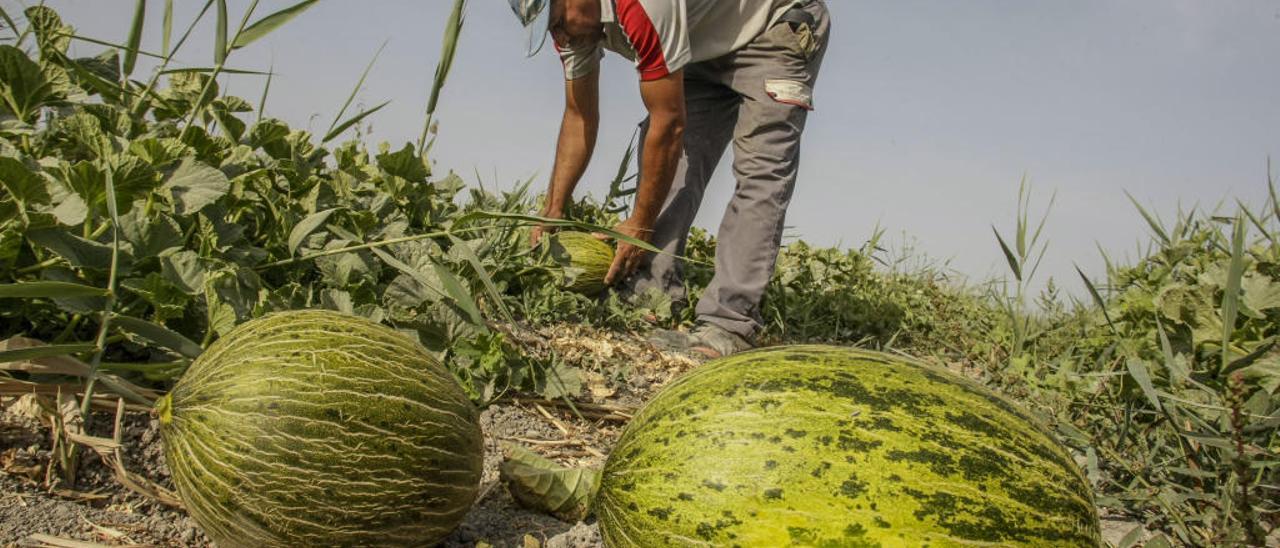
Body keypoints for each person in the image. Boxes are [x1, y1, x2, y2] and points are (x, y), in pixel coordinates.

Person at [510, 0, 830, 358]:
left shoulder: (642, 4)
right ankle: (653, 295)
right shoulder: (575, 32)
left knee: (761, 173)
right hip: (701, 43)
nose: (559, 35)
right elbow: (579, 116)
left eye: (556, 22)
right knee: (669, 166)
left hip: (773, 27)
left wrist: (640, 224)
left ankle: (729, 324)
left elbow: (670, 123)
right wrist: (552, 208)